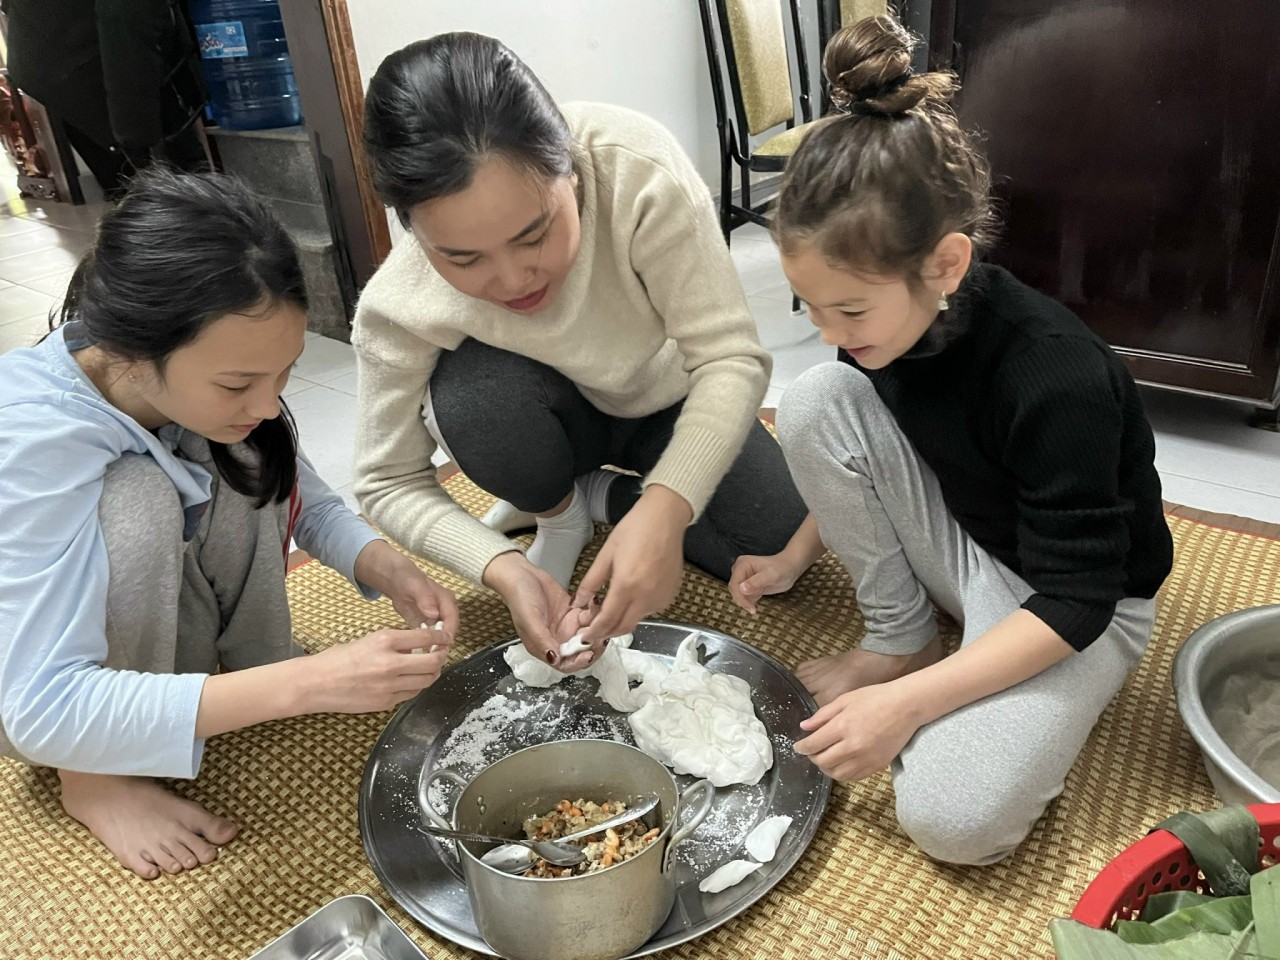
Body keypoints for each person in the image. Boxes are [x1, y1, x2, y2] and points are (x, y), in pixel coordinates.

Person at [728, 16, 1174, 865]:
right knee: (817, 399)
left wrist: (912, 707)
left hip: (1075, 604)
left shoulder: (1055, 375)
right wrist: (794, 555)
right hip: (971, 540)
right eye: (809, 305)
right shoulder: (889, 328)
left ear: (946, 265)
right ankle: (903, 639)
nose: (830, 331)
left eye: (849, 309)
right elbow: (878, 438)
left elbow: (1080, 599)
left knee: (953, 820)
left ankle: (925, 673)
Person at [0, 169, 459, 880]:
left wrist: (381, 562)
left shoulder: (194, 386)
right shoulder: (31, 440)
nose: (269, 403)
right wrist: (311, 683)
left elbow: (302, 498)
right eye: (238, 383)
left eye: (284, 373)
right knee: (139, 497)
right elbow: (40, 705)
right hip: (34, 690)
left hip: (133, 636)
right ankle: (91, 777)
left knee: (245, 454)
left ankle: (255, 671)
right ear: (132, 352)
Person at [355, 32, 808, 668]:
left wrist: (665, 506)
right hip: (542, 413)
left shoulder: (635, 169)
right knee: (476, 397)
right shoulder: (398, 300)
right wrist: (503, 567)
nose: (512, 279)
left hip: (664, 398)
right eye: (462, 258)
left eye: (534, 235)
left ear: (570, 166)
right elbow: (385, 479)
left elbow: (730, 357)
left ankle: (601, 498)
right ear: (409, 227)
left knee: (776, 540)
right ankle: (557, 510)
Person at [2, 0, 209, 197]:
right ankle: (180, 201)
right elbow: (128, 36)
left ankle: (155, 194)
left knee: (142, 150)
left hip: (50, 50)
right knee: (153, 142)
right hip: (71, 55)